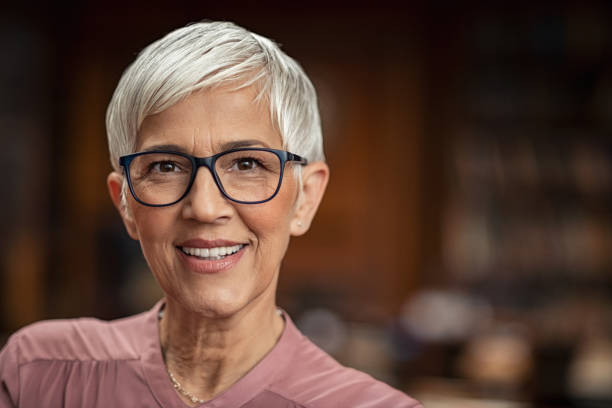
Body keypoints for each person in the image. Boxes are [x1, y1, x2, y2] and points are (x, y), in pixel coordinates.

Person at [0, 21, 423, 407]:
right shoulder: (38, 374)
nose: (204, 207)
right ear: (125, 203)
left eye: (246, 164)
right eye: (165, 166)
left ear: (306, 198)